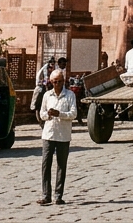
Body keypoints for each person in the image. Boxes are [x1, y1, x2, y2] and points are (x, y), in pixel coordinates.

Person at [38, 69, 77, 206]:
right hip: (49, 133)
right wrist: (48, 115)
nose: (57, 84)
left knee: (61, 165)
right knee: (45, 164)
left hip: (63, 134)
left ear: (64, 81)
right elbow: (41, 112)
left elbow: (73, 114)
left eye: (59, 82)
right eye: (54, 82)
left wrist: (59, 114)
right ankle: (45, 195)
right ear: (50, 82)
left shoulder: (70, 95)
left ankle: (58, 195)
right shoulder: (47, 95)